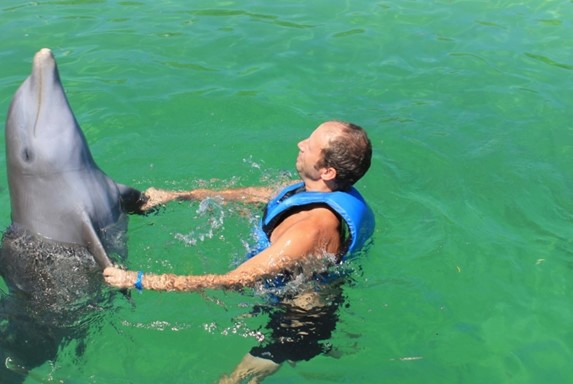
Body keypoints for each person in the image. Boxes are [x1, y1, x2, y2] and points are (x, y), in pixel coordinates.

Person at [104, 120, 375, 383]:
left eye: (310, 145)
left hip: (297, 321)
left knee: (232, 380)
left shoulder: (310, 230)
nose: (300, 143)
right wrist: (179, 196)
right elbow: (260, 195)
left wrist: (139, 280)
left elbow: (232, 281)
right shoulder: (310, 191)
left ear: (328, 171)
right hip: (286, 289)